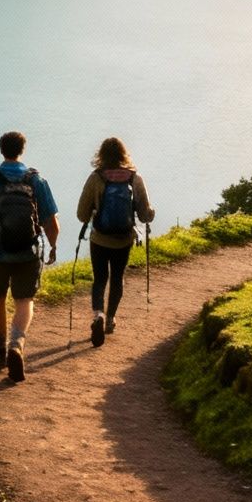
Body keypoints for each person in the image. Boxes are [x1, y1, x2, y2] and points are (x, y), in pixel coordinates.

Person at [0, 130, 60, 383]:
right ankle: (16, 345)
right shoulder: (36, 181)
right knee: (24, 300)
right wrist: (52, 246)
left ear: (2, 150)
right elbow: (51, 222)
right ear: (22, 150)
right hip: (28, 253)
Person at [75, 136, 154, 347]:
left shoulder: (96, 178)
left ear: (101, 154)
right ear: (123, 153)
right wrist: (149, 213)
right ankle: (110, 319)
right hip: (123, 240)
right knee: (117, 278)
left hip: (100, 239)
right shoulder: (134, 178)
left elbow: (81, 214)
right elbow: (145, 214)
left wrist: (94, 210)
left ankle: (98, 315)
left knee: (100, 279)